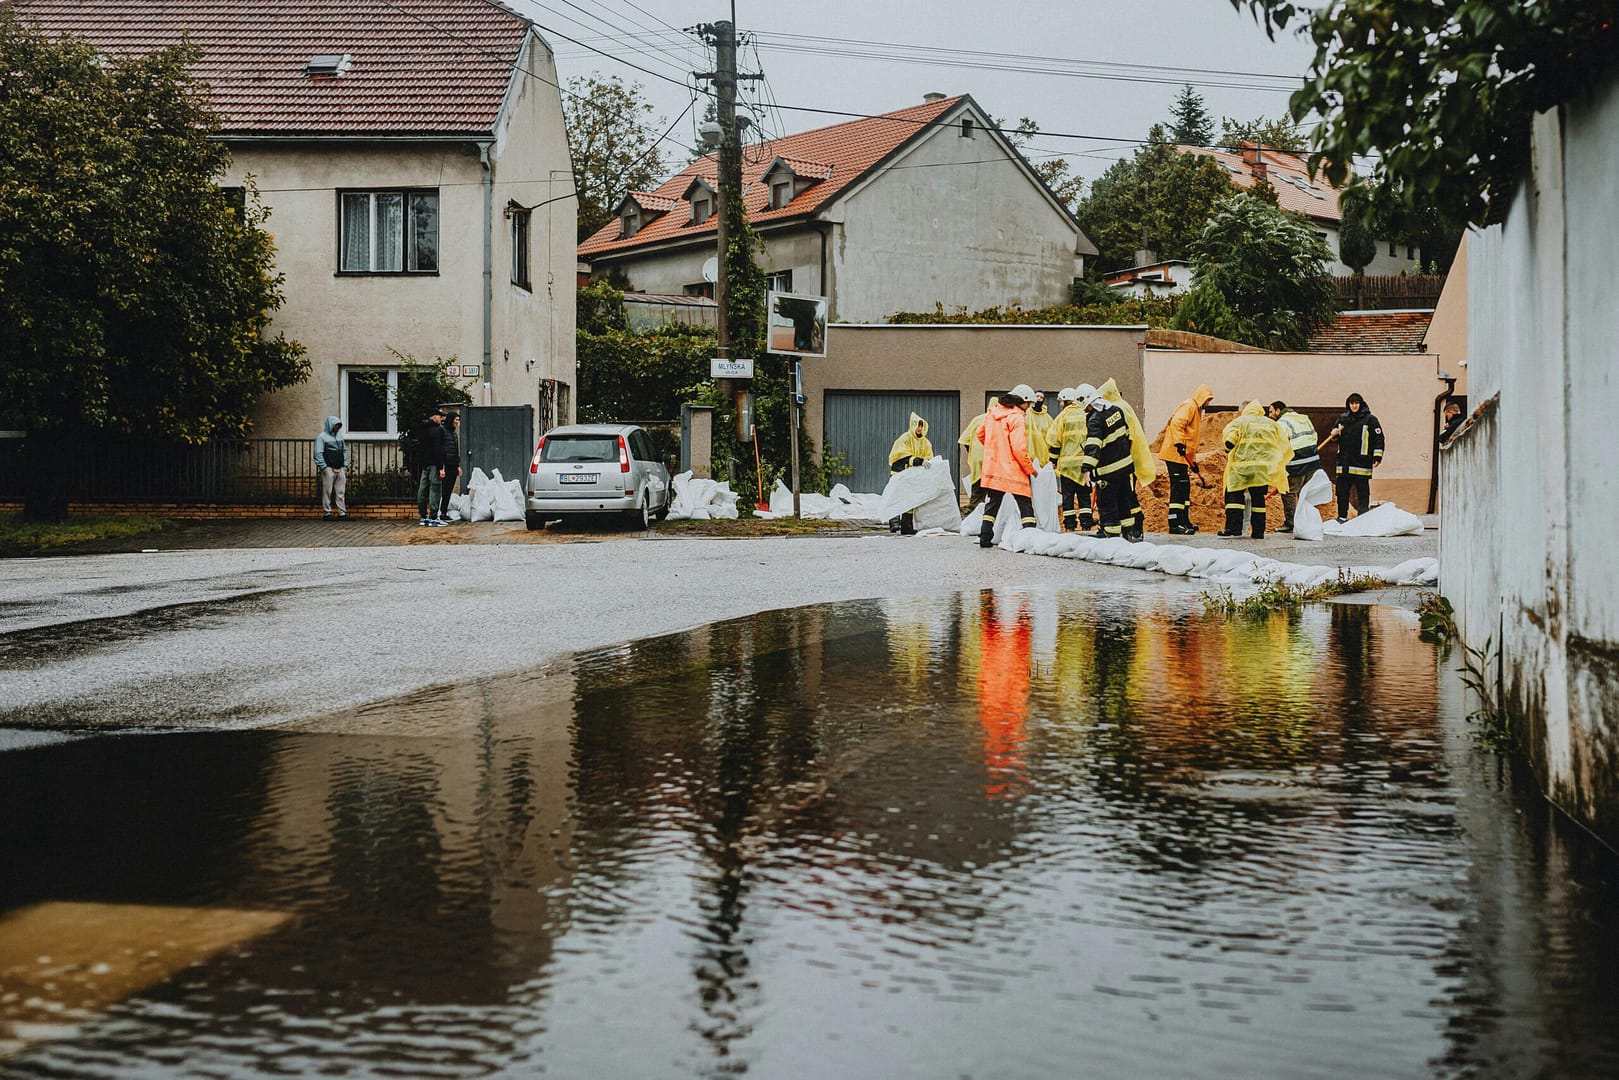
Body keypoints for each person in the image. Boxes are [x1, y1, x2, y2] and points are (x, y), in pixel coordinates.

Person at [976, 384, 1039, 548]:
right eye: (1029, 403)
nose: (1029, 407)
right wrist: (1030, 469)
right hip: (1013, 470)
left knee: (992, 505)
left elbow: (980, 434)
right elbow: (1019, 448)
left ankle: (984, 537)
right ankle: (1030, 538)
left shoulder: (992, 413)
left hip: (994, 469)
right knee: (1025, 505)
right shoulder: (1017, 417)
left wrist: (995, 449)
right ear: (1021, 401)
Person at [1218, 401, 1292, 538]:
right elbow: (1284, 443)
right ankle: (1258, 532)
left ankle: (1233, 529)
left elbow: (1229, 441)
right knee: (1258, 500)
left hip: (1241, 469)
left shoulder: (1240, 422)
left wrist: (1228, 450)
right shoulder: (1270, 423)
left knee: (1234, 498)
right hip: (1261, 470)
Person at [1079, 384, 1141, 541]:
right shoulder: (1116, 411)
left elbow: (1093, 445)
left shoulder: (1095, 419)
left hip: (1108, 471)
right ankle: (1129, 533)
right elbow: (1127, 435)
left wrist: (1087, 469)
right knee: (1124, 501)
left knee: (1107, 503)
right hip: (1125, 467)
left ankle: (1111, 534)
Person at [1097, 379, 1152, 539]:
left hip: (1124, 462)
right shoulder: (1123, 406)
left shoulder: (1118, 409)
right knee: (1126, 495)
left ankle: (1135, 527)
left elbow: (1123, 437)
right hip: (1128, 460)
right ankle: (1131, 529)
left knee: (1126, 496)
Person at [1321, 392, 1384, 522]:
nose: (1354, 406)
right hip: (1344, 462)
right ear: (1348, 405)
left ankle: (1363, 516)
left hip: (1362, 462)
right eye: (1352, 403)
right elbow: (1335, 437)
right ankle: (1342, 516)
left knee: (1363, 492)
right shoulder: (1343, 418)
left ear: (1361, 404)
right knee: (1342, 492)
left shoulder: (1370, 420)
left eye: (1356, 403)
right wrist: (1334, 434)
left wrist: (1377, 456)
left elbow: (1379, 438)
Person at [1159, 384, 1213, 535]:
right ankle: (1175, 523)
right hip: (1174, 454)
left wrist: (1193, 461)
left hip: (1183, 457)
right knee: (1178, 488)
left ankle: (1184, 520)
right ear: (1202, 397)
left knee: (1185, 487)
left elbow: (1191, 439)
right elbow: (1177, 423)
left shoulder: (1196, 410)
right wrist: (1179, 443)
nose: (1208, 404)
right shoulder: (1189, 406)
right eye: (1208, 400)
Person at [1267, 401, 1320, 533]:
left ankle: (1291, 523)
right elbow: (1315, 436)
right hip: (1312, 459)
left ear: (1278, 411)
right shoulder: (1303, 418)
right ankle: (1307, 521)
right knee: (1305, 492)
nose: (1269, 415)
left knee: (1288, 491)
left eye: (1271, 411)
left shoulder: (1282, 423)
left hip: (1296, 461)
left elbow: (1279, 445)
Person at [1047, 386, 1095, 532]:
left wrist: (1053, 461)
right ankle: (1086, 524)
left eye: (1061, 402)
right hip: (1084, 464)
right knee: (1084, 495)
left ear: (1065, 401)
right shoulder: (1085, 413)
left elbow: (1054, 441)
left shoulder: (1062, 417)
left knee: (1068, 496)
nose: (1060, 405)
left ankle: (1070, 525)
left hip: (1067, 465)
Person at [887, 411, 933, 535]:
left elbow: (929, 458)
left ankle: (906, 527)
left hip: (913, 476)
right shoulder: (904, 439)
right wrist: (918, 461)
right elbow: (901, 457)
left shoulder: (926, 443)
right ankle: (894, 523)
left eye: (921, 426)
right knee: (897, 498)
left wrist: (925, 463)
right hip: (900, 473)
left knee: (910, 500)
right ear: (912, 426)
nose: (919, 428)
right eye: (918, 425)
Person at [415, 406, 450, 527]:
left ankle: (423, 516)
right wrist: (441, 467)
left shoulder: (422, 429)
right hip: (435, 464)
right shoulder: (437, 430)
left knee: (422, 489)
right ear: (434, 416)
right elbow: (438, 449)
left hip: (425, 463)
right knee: (435, 489)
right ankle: (434, 518)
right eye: (440, 416)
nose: (441, 419)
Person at [314, 416, 348, 519]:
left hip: (340, 467)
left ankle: (342, 513)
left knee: (341, 491)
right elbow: (318, 453)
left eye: (338, 425)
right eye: (335, 425)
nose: (337, 427)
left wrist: (344, 464)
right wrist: (324, 467)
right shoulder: (321, 437)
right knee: (327, 491)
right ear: (330, 425)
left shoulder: (339, 437)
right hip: (328, 467)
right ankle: (327, 513)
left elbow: (344, 450)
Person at [958, 412, 987, 512]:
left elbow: (964, 439)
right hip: (993, 461)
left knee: (977, 489)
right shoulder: (1000, 419)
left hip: (977, 459)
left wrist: (972, 452)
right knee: (995, 495)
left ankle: (973, 512)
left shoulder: (977, 419)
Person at [438, 411, 462, 523]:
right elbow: (441, 450)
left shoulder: (454, 434)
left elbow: (456, 451)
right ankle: (440, 512)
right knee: (443, 489)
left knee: (448, 490)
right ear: (451, 420)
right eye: (456, 420)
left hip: (453, 465)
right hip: (445, 466)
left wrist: (458, 466)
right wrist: (441, 467)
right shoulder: (442, 431)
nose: (457, 422)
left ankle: (444, 512)